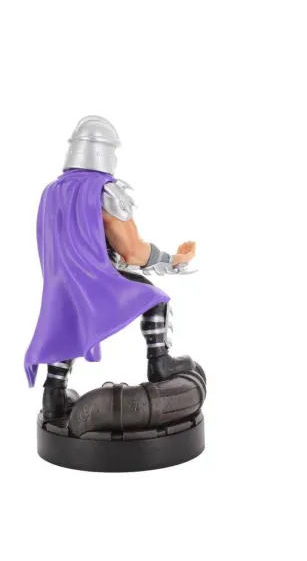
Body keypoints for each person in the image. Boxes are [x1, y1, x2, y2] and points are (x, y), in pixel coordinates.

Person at [25, 116, 197, 421]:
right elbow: (132, 251)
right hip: (95, 277)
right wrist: (172, 260)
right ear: (106, 152)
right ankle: (159, 361)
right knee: (154, 298)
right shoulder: (103, 191)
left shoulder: (51, 191)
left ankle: (54, 393)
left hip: (58, 283)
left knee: (65, 323)